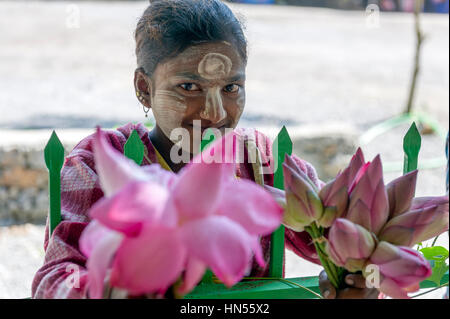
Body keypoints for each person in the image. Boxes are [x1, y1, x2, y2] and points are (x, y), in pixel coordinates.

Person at [32, 0, 378, 299]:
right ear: (144, 88)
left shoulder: (259, 160)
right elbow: (57, 279)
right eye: (189, 86)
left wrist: (355, 275)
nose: (215, 112)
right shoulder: (99, 162)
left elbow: (335, 236)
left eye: (231, 87)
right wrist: (118, 285)